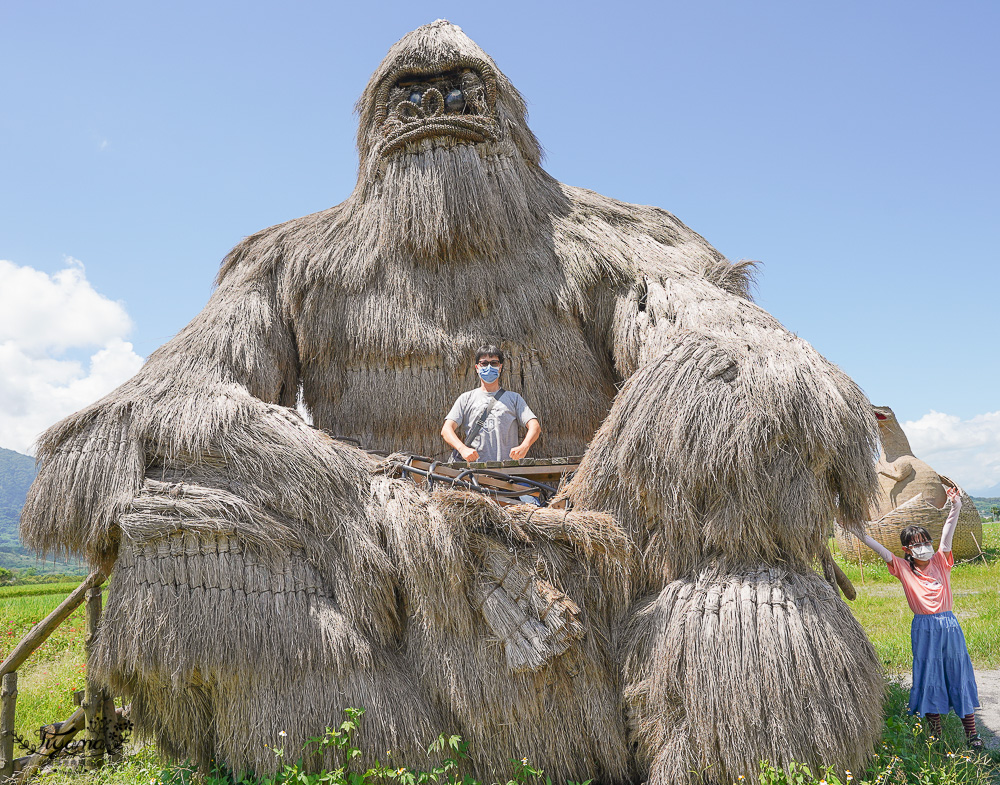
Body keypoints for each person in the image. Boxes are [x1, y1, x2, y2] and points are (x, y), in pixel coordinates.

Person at [855, 486, 983, 750]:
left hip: (949, 626)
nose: (923, 547)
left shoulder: (940, 560)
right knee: (929, 676)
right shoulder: (902, 568)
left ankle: (973, 735)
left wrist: (955, 504)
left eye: (926, 541)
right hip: (924, 629)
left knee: (957, 674)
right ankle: (935, 736)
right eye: (917, 544)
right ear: (907, 549)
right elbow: (879, 548)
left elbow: (948, 533)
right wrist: (855, 529)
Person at [441, 345, 541, 464]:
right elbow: (446, 429)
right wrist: (462, 449)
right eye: (484, 363)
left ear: (500, 367)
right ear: (477, 367)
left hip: (508, 470)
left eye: (494, 363)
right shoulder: (466, 398)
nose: (489, 367)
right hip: (475, 471)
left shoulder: (514, 398)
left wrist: (524, 446)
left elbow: (535, 426)